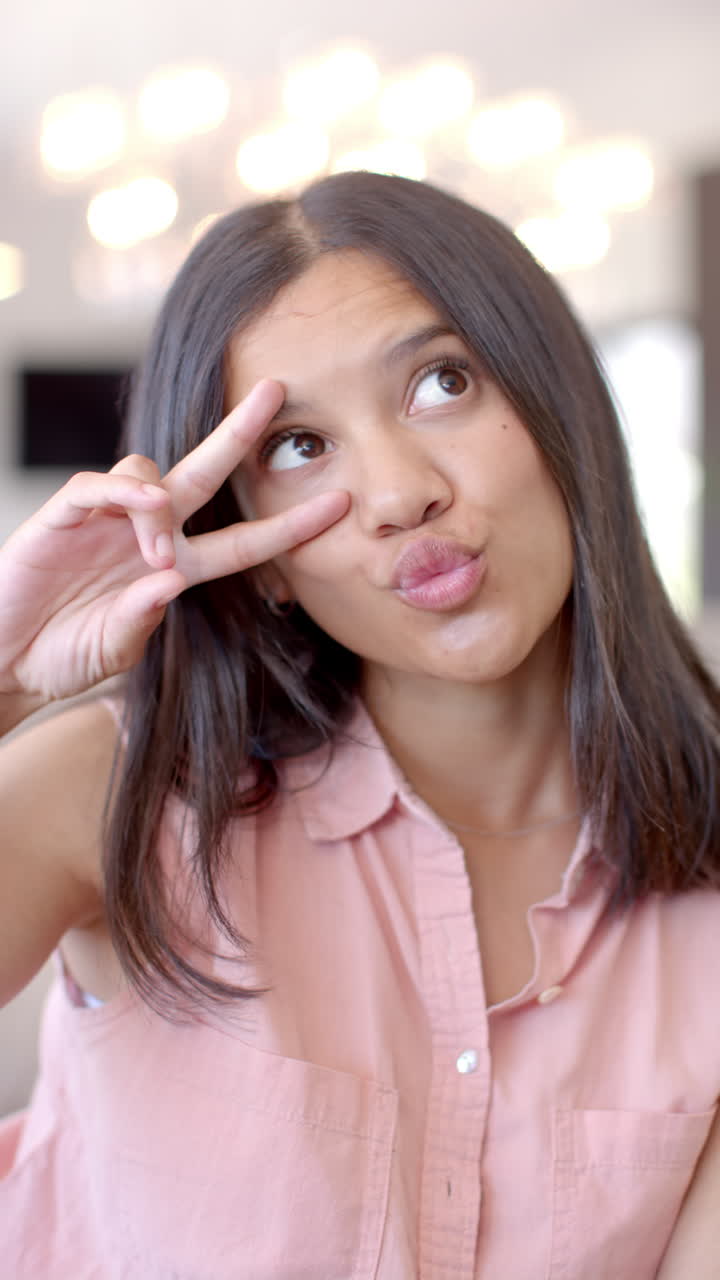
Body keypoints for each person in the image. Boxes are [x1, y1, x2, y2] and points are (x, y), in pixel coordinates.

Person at [0, 170, 719, 1279]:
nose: (398, 492)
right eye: (298, 446)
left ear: (563, 410)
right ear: (264, 557)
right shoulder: (124, 789)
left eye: (441, 381)